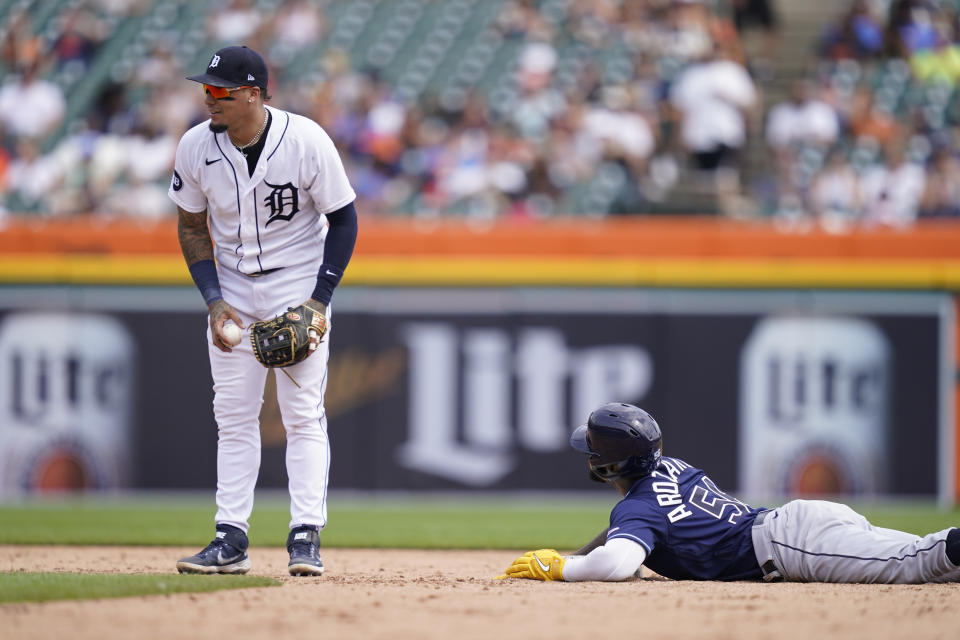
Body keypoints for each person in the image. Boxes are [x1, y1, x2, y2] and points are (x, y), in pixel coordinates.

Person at [168, 45, 358, 576]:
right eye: (206, 90)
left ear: (253, 93)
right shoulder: (195, 147)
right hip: (230, 288)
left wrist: (319, 303)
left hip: (295, 286)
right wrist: (212, 300)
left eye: (220, 91)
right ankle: (230, 537)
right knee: (232, 417)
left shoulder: (305, 140)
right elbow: (190, 225)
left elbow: (344, 220)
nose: (210, 100)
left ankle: (305, 535)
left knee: (302, 415)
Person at [499, 402, 960, 583]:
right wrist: (581, 549)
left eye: (594, 450)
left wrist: (563, 566)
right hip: (795, 529)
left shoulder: (640, 510)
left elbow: (617, 562)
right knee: (917, 560)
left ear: (609, 466)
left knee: (918, 562)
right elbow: (627, 529)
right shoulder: (667, 473)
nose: (590, 456)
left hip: (794, 546)